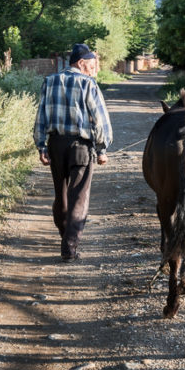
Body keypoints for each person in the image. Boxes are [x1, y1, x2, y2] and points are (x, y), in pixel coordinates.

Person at [33, 43, 113, 262]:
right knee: (79, 197)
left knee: (61, 194)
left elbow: (41, 116)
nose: (94, 70)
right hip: (80, 147)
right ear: (80, 63)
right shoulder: (88, 84)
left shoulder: (49, 81)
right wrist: (102, 148)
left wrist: (41, 146)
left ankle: (64, 235)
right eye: (92, 65)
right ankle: (69, 247)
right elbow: (100, 120)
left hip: (56, 145)